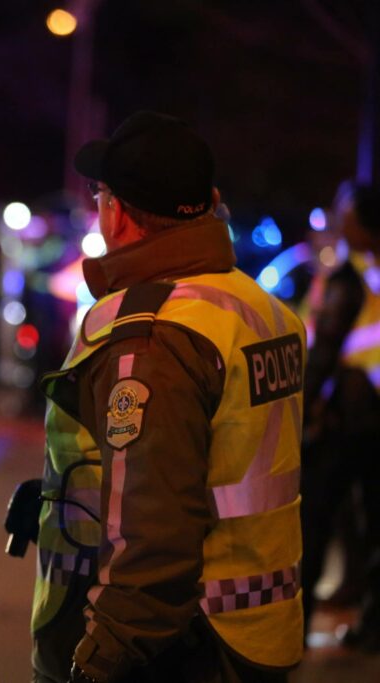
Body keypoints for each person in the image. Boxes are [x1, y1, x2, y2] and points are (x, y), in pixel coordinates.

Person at [28, 112, 304, 682]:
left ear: (118, 213)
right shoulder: (259, 308)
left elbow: (154, 530)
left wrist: (101, 655)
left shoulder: (153, 332)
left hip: (178, 645)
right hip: (259, 629)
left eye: (100, 193)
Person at [299, 183, 380, 649]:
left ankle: (298, 621)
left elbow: (326, 349)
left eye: (344, 211)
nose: (337, 216)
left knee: (316, 520)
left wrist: (303, 407)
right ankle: (372, 624)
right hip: (371, 420)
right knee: (372, 524)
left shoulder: (351, 277)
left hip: (346, 422)